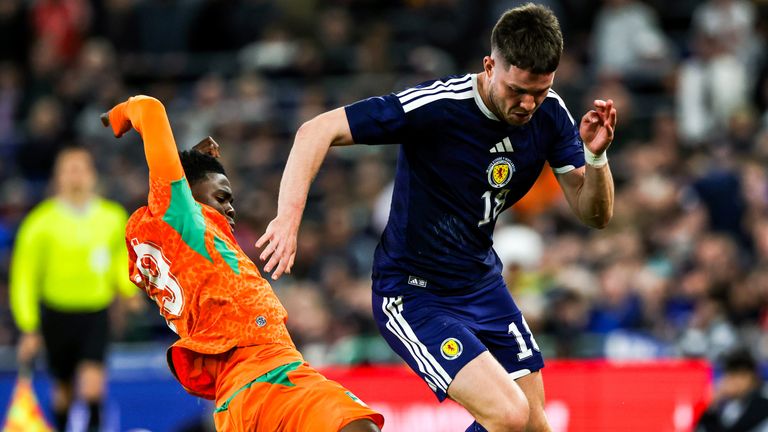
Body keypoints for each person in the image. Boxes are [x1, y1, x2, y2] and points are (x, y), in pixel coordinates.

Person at [258, 3, 617, 432]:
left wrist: (596, 158)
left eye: (539, 92)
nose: (527, 105)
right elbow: (315, 130)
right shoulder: (437, 106)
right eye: (517, 90)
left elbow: (595, 215)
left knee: (533, 427)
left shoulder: (551, 114)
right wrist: (287, 219)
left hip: (481, 283)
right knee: (509, 415)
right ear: (489, 66)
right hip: (413, 293)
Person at [100, 95, 384, 432]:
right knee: (356, 426)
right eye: (222, 197)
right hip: (272, 374)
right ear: (188, 196)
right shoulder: (181, 217)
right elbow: (149, 108)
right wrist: (119, 116)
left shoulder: (163, 242)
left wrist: (190, 161)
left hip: (235, 401)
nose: (231, 208)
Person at [10, 146, 140, 432]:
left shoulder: (112, 217)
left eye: (81, 169)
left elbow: (120, 260)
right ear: (58, 177)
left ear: (92, 175)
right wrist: (29, 326)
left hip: (95, 311)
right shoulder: (40, 223)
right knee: (64, 390)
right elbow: (24, 277)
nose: (75, 176)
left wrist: (129, 292)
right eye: (69, 170)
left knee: (93, 386)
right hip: (56, 313)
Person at [695, 348, 768, 432]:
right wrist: (712, 407)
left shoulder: (762, 406)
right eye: (730, 376)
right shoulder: (728, 405)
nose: (734, 382)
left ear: (751, 377)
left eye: (740, 376)